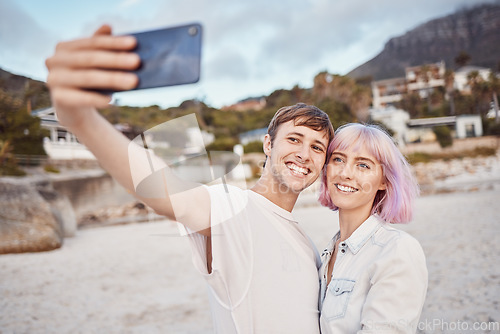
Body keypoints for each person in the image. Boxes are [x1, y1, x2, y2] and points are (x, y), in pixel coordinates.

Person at [45, 24, 334, 333]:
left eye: (317, 147)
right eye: (294, 139)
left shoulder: (308, 246)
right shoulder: (234, 207)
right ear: (268, 144)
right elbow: (166, 191)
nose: (305, 153)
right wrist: (82, 120)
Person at [317, 123, 428, 333]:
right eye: (338, 159)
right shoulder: (325, 255)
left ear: (384, 181)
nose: (346, 173)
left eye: (363, 165)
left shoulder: (397, 250)